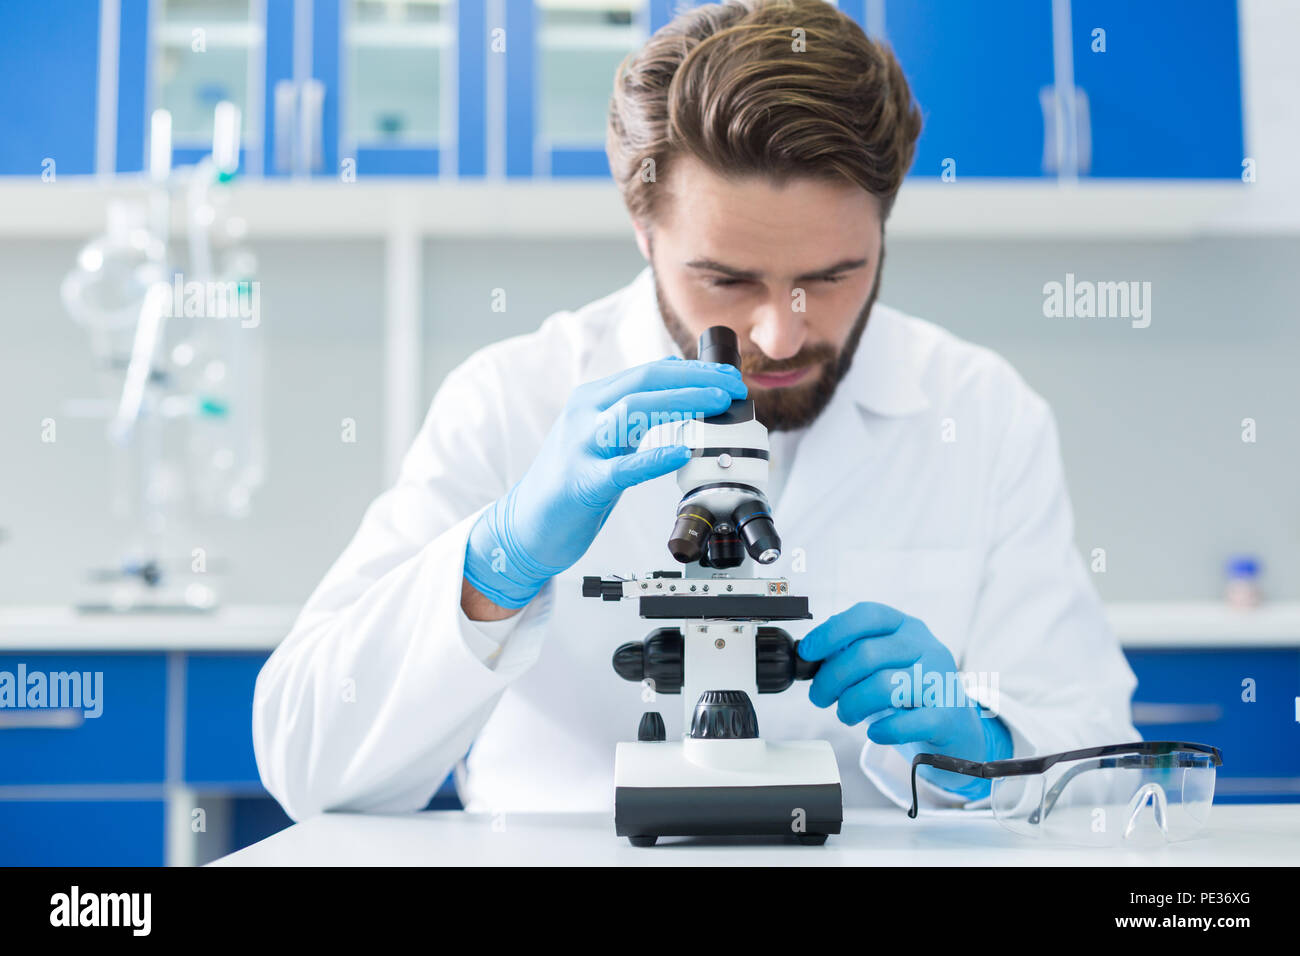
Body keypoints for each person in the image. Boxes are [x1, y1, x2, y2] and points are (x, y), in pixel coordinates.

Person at [253, 0, 1138, 823]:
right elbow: (306, 762)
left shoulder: (980, 411)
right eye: (727, 280)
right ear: (645, 235)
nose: (781, 335)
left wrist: (981, 746)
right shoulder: (508, 400)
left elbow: (1108, 771)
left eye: (832, 279)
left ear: (883, 230)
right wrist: (500, 561)